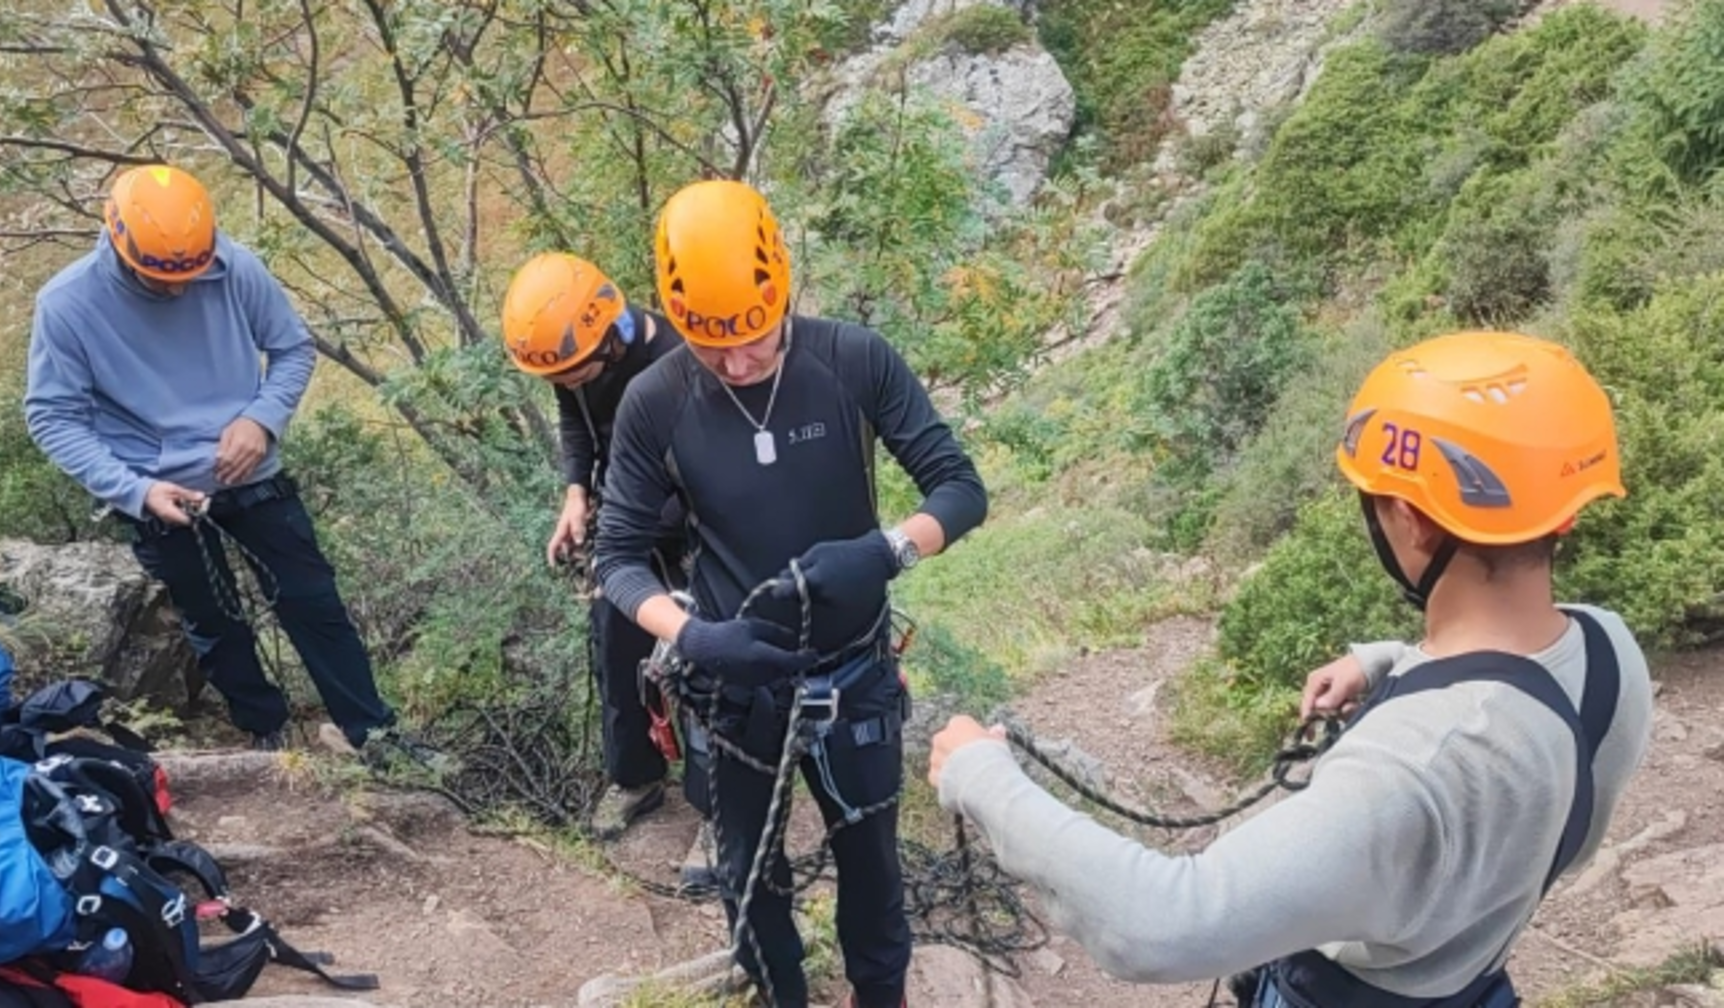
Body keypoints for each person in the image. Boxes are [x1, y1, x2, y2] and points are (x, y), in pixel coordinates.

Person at [930, 330, 1655, 1007]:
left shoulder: (1408, 772)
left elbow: (1161, 922)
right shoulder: (1608, 654)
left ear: (1413, 518)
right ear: (1562, 510)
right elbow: (1507, 684)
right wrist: (1384, 664)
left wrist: (982, 776)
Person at [596, 179, 988, 1008]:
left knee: (871, 863)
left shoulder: (850, 360)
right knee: (747, 872)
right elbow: (619, 560)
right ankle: (784, 995)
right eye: (711, 348)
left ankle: (880, 996)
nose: (736, 364)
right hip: (735, 685)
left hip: (856, 672)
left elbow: (958, 488)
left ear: (783, 294)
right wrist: (692, 637)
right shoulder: (655, 402)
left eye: (755, 341)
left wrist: (884, 553)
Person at [24, 163, 446, 772]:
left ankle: (374, 736)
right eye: (158, 277)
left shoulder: (230, 264)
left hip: (253, 472)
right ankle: (268, 735)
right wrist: (136, 490)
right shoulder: (68, 305)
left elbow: (293, 347)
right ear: (119, 242)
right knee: (216, 624)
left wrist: (261, 419)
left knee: (313, 602)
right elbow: (52, 416)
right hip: (158, 489)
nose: (176, 289)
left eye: (187, 275)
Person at [500, 250, 714, 890]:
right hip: (625, 532)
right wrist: (576, 492)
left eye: (575, 371)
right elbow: (579, 418)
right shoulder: (577, 363)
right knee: (615, 650)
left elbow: (711, 472)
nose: (567, 383)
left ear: (616, 339)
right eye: (555, 377)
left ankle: (722, 810)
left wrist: (634, 522)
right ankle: (637, 777)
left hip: (698, 534)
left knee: (706, 669)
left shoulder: (684, 363)